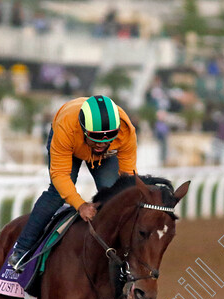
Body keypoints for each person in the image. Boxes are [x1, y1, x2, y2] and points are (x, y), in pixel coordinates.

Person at [8, 95, 137, 270]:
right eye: (95, 137)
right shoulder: (66, 126)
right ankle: (21, 249)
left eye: (108, 138)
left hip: (104, 155)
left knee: (115, 196)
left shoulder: (126, 130)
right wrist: (80, 205)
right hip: (69, 142)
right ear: (83, 129)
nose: (101, 144)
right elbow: (60, 175)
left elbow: (128, 177)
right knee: (55, 194)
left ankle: (124, 252)